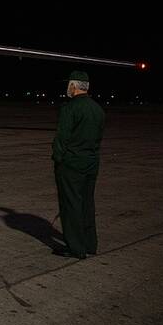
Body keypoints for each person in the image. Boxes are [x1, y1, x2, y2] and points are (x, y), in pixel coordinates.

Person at [52, 70, 105, 259]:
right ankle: (90, 244)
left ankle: (76, 248)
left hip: (72, 164)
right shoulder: (97, 109)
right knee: (87, 204)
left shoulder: (70, 108)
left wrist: (58, 159)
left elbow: (62, 139)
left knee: (71, 204)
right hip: (91, 162)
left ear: (74, 86)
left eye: (69, 84)